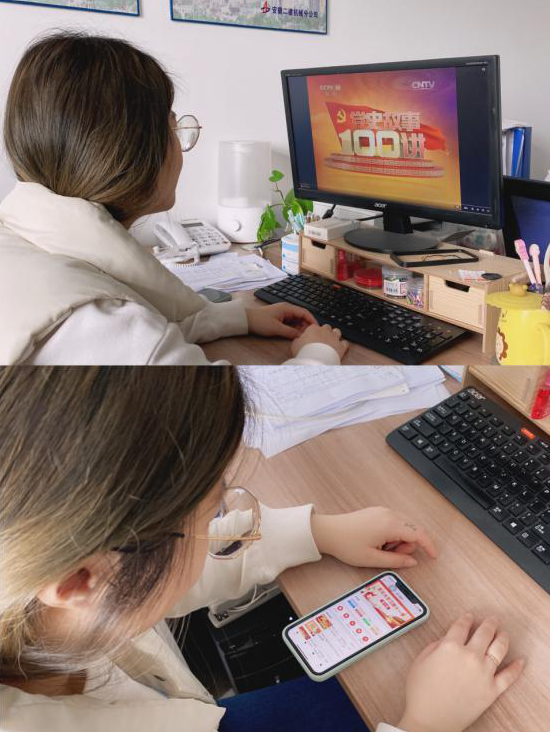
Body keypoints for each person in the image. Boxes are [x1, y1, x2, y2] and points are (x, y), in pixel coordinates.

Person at [0, 367, 524, 732]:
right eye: (212, 513)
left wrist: (315, 531)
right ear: (78, 581)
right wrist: (425, 726)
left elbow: (160, 567)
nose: (220, 520)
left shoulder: (42, 581)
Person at [0, 32, 347, 366]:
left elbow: (151, 317)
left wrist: (240, 317)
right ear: (132, 151)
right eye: (173, 128)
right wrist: (318, 354)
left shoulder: (27, 245)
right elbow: (234, 405)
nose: (180, 146)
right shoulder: (99, 324)